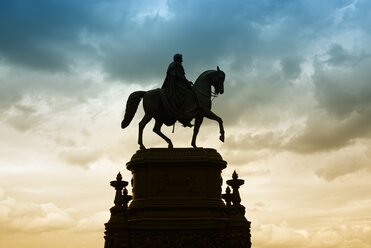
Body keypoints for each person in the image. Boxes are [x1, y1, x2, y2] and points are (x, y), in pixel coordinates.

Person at [161, 54, 194, 127]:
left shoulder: (177, 65)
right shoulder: (175, 65)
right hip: (174, 85)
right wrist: (186, 82)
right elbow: (178, 76)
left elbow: (182, 76)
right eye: (181, 58)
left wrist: (187, 82)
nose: (182, 59)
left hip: (178, 83)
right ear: (178, 59)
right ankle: (184, 114)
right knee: (186, 94)